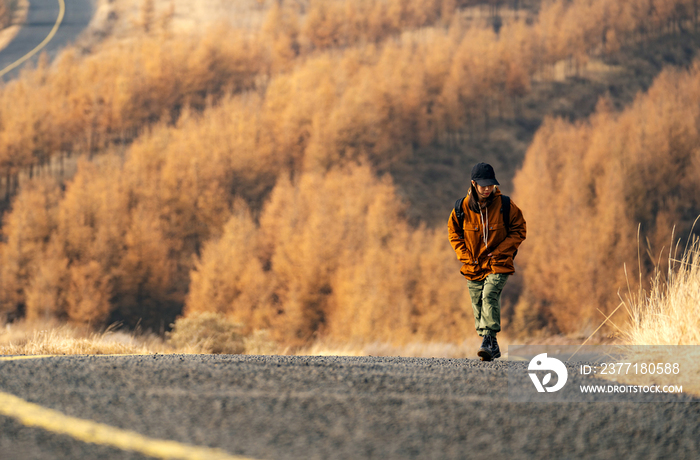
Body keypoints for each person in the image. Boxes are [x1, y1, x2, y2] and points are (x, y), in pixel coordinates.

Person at [447, 163, 526, 361]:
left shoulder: (505, 205)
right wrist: (465, 256)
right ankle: (491, 344)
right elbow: (453, 234)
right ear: (473, 184)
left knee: (489, 295)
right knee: (478, 302)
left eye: (490, 185)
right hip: (473, 265)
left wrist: (501, 251)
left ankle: (488, 339)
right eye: (483, 185)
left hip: (499, 263)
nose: (487, 189)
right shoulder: (461, 208)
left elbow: (519, 230)